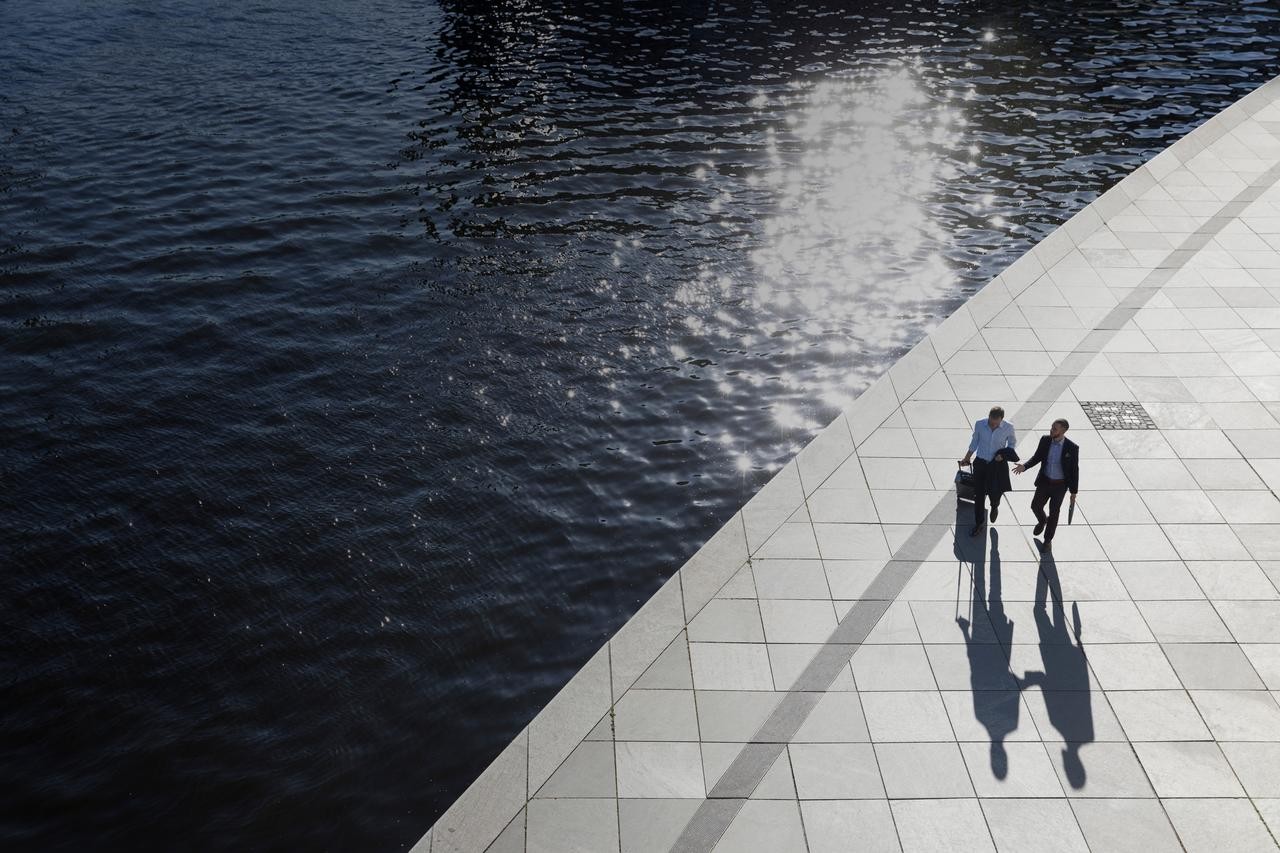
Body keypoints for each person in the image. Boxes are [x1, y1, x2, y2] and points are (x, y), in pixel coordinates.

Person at [1013, 418, 1080, 554]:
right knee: (1035, 506)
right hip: (1044, 481)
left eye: (1055, 429)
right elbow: (1037, 457)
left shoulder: (1072, 448)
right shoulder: (1045, 440)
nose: (1051, 430)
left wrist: (1073, 492)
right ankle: (1043, 520)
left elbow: (1074, 470)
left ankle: (1047, 540)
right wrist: (1024, 466)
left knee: (1054, 513)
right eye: (1052, 427)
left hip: (1059, 486)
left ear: (1063, 431)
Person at [959, 406, 1017, 537]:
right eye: (991, 422)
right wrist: (967, 457)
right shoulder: (980, 424)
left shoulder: (1008, 427)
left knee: (995, 492)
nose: (993, 425)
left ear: (1001, 419)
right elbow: (975, 441)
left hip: (997, 465)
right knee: (978, 495)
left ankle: (994, 506)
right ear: (989, 416)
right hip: (980, 464)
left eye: (996, 423)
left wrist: (1003, 455)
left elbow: (1012, 444)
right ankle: (979, 524)